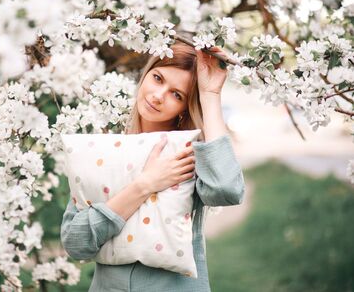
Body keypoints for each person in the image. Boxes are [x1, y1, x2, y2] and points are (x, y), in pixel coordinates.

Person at [60, 42, 245, 292]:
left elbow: (227, 190)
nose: (159, 96)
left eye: (176, 95)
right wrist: (146, 184)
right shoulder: (104, 151)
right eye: (157, 78)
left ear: (183, 108)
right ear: (145, 74)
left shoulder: (185, 155)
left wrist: (210, 95)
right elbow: (76, 242)